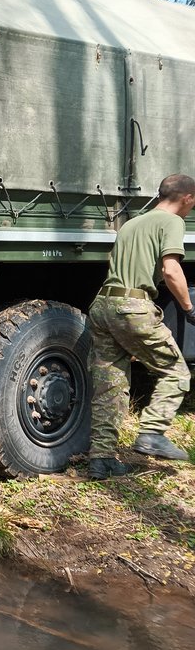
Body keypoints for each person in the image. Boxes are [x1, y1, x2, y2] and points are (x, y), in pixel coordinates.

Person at [87, 173, 195, 479]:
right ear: (186, 197)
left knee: (110, 386)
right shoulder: (172, 222)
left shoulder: (132, 223)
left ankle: (101, 460)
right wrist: (188, 308)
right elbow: (171, 269)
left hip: (103, 305)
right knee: (175, 372)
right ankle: (152, 434)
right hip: (133, 307)